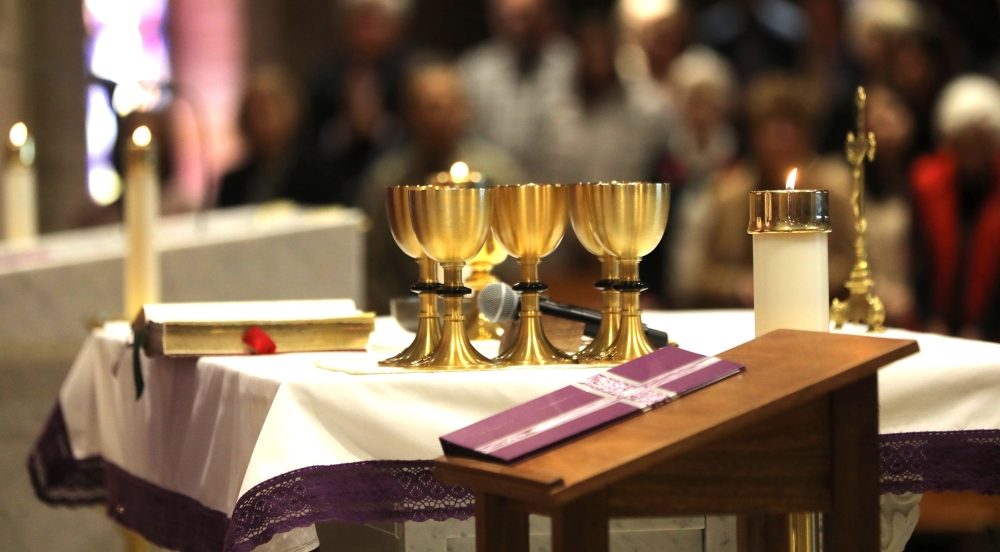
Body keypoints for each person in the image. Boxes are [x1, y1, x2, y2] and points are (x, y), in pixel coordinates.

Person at [358, 60, 524, 313]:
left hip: (488, 312)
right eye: (431, 107)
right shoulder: (387, 179)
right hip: (409, 315)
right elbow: (374, 263)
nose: (441, 117)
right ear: (409, 113)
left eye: (451, 106)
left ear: (466, 109)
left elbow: (515, 256)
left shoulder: (497, 173)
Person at [697, 74, 854, 308]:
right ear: (755, 137)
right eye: (772, 133)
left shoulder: (835, 189)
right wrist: (738, 284)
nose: (780, 144)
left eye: (789, 133)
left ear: (806, 136)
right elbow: (702, 273)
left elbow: (855, 264)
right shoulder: (729, 193)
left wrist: (799, 280)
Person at [910, 75, 1000, 341]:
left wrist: (984, 328)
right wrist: (930, 318)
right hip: (937, 326)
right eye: (964, 140)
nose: (972, 150)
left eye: (980, 140)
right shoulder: (927, 183)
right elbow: (919, 258)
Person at [458, 0, 574, 176]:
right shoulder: (475, 69)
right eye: (511, 17)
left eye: (527, 17)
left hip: (557, 185)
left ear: (545, 15)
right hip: (494, 186)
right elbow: (465, 136)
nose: (520, 27)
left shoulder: (571, 64)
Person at [217, 66, 314, 207]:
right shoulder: (233, 182)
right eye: (254, 111)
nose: (261, 121)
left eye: (268, 111)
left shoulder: (313, 176)